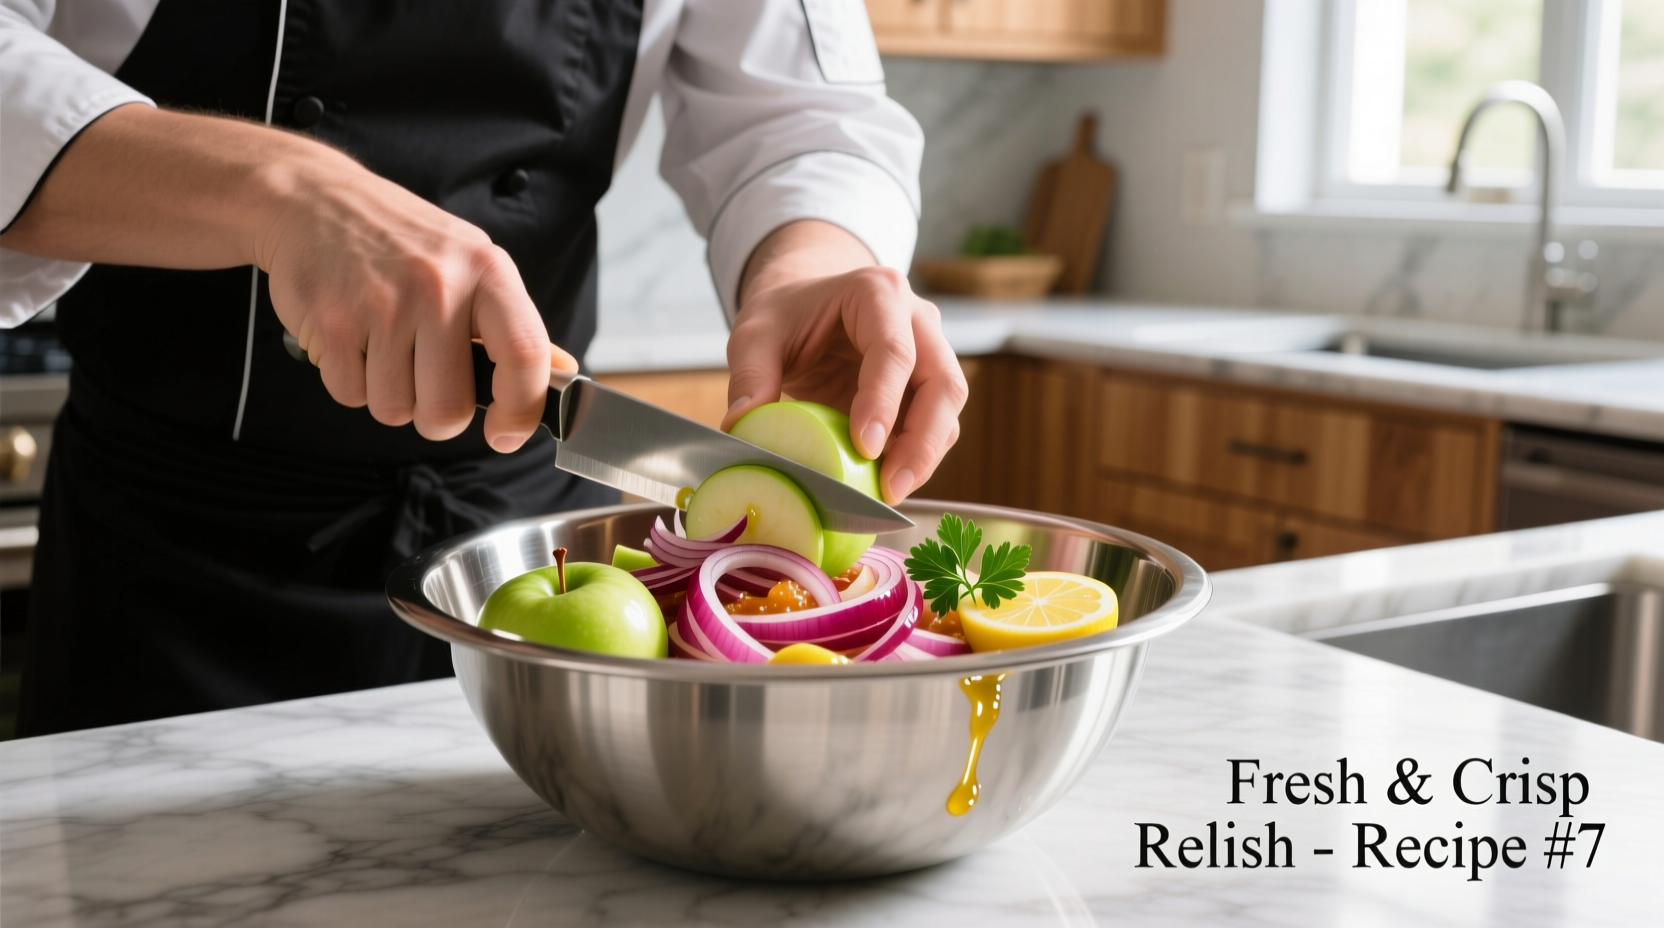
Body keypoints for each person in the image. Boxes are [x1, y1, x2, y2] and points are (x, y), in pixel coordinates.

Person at [0, 0, 965, 736]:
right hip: (170, 566)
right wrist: (284, 188)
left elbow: (802, 110)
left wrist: (818, 267)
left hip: (519, 560)